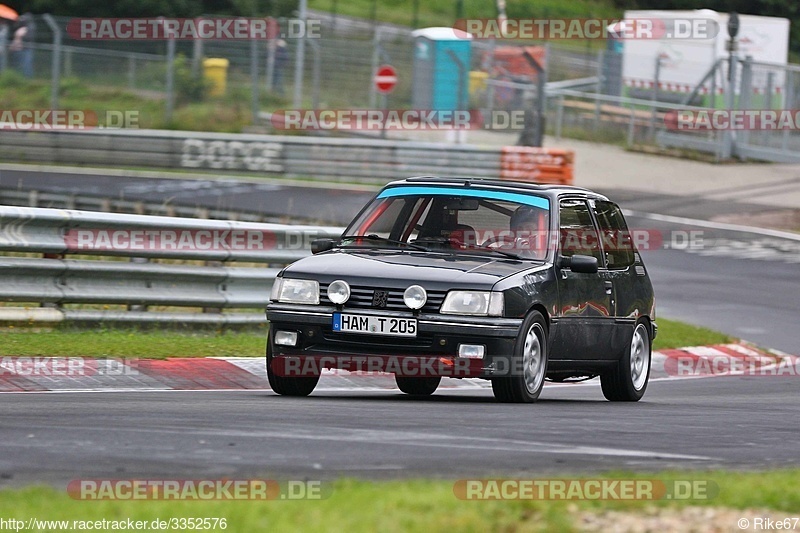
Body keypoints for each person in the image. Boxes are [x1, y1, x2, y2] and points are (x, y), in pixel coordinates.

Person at [10, 13, 35, 78]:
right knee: (19, 64)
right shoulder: (20, 28)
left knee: (26, 64)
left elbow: (29, 37)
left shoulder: (30, 28)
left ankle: (27, 78)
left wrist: (22, 37)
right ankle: (18, 77)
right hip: (19, 49)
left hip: (26, 48)